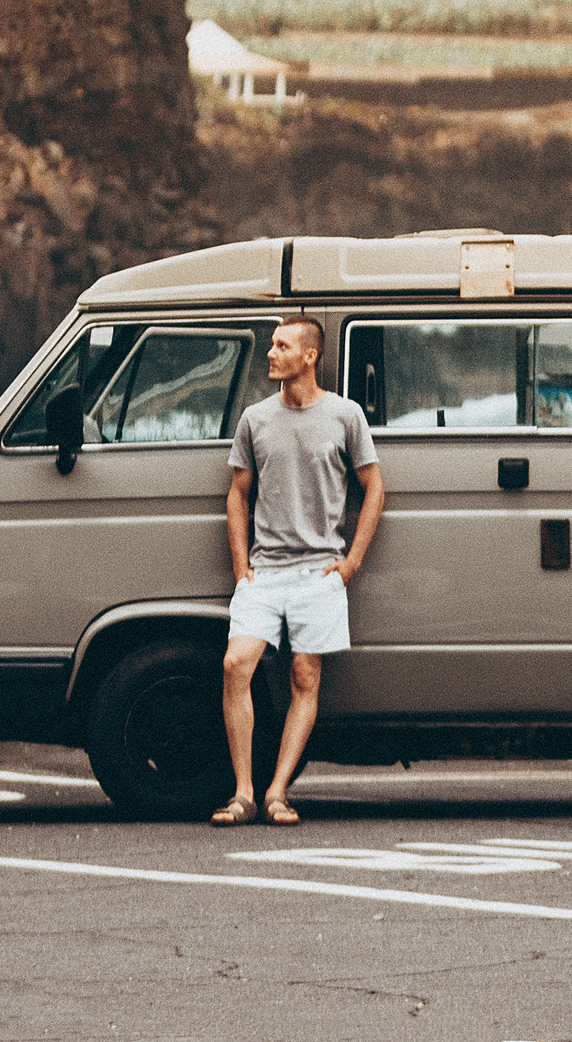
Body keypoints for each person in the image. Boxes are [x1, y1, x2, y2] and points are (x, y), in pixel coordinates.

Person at [214, 313, 385, 827]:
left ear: (310, 356)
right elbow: (238, 494)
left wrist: (350, 564)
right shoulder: (255, 419)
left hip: (319, 573)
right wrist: (241, 565)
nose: (271, 353)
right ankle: (243, 792)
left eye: (282, 346)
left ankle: (277, 792)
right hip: (264, 572)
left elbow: (374, 488)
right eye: (272, 344)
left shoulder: (345, 416)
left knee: (304, 676)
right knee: (235, 665)